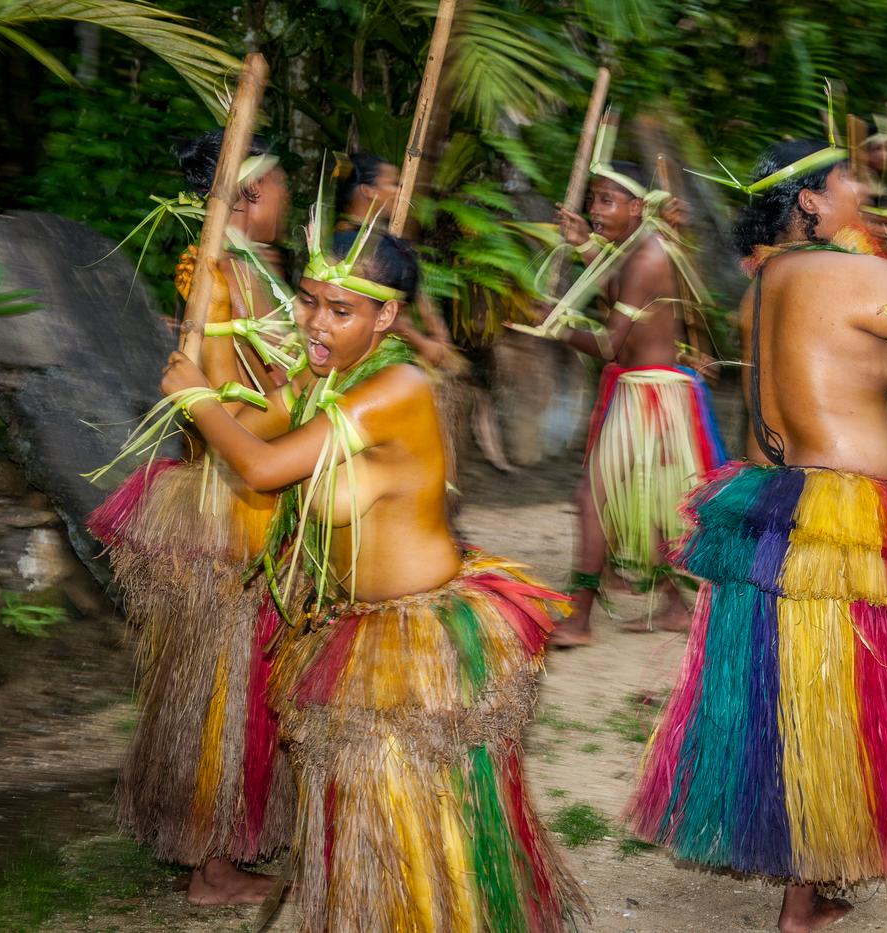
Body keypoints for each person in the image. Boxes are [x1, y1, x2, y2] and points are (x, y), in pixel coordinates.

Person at [157, 224, 582, 930]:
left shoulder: (394, 387)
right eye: (308, 300)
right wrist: (220, 321)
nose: (317, 322)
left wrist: (194, 396)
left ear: (386, 316)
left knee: (423, 826)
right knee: (374, 824)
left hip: (418, 641)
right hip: (356, 627)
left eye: (341, 310)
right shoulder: (330, 377)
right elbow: (244, 427)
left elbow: (261, 467)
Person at [627, 139, 887, 933]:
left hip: (783, 499)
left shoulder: (775, 275)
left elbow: (866, 371)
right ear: (809, 198)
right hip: (846, 509)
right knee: (841, 699)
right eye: (851, 180)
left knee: (800, 693)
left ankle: (813, 883)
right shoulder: (861, 274)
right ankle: (802, 905)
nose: (864, 190)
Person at [86, 129, 294, 906]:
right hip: (228, 503)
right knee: (222, 686)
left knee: (245, 679)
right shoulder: (218, 280)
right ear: (247, 195)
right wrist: (299, 405)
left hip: (250, 489)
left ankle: (229, 844)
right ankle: (212, 866)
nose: (286, 199)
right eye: (277, 186)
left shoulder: (251, 274)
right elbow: (207, 401)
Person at [539, 159, 727, 646]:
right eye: (593, 199)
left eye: (606, 200)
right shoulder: (634, 248)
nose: (595, 209)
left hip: (649, 394)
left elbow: (610, 345)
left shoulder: (647, 256)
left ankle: (579, 621)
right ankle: (673, 607)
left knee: (593, 501)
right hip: (646, 389)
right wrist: (584, 244)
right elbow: (613, 290)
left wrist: (555, 326)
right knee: (644, 504)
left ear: (637, 207)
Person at [335, 150, 476, 496]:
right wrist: (423, 343)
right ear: (368, 191)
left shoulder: (378, 238)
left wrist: (437, 332)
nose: (399, 190)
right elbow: (375, 312)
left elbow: (412, 292)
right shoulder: (348, 244)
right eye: (391, 183)